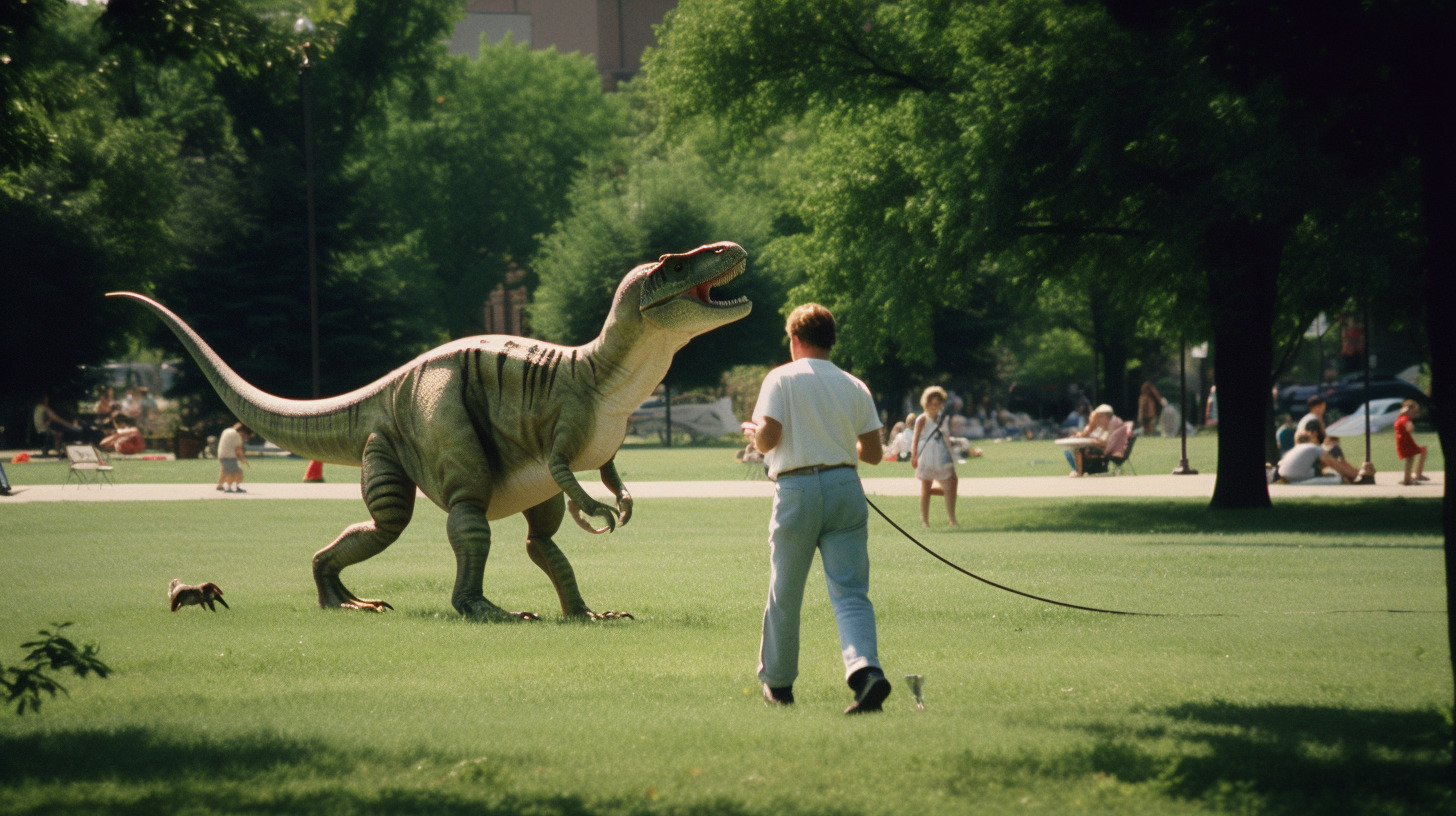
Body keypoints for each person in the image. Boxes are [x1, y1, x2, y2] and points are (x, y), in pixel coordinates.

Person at [743, 303, 890, 714]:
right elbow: (874, 454)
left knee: (785, 591)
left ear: (794, 339)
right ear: (831, 339)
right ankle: (865, 672)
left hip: (798, 488)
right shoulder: (854, 385)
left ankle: (780, 683)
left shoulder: (781, 378)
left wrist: (754, 435)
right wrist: (836, 435)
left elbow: (769, 438)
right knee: (851, 593)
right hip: (845, 486)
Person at [911, 386, 959, 528]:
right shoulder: (922, 419)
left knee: (951, 484)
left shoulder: (943, 418)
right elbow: (915, 438)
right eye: (933, 401)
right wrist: (914, 456)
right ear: (927, 402)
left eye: (938, 401)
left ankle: (952, 519)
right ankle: (925, 521)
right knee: (926, 487)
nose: (935, 404)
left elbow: (946, 437)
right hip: (927, 455)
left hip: (941, 454)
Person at [1275, 430, 1362, 483]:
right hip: (1296, 478)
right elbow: (1335, 463)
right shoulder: (1314, 448)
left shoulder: (1296, 449)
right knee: (1338, 479)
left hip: (1285, 476)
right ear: (1313, 439)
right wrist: (1358, 476)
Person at [1061, 404, 1120, 477]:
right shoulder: (1103, 426)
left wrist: (1091, 437)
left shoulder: (1109, 427)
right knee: (1069, 448)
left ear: (1106, 417)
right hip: (1097, 449)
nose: (1097, 419)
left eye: (1099, 416)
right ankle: (1077, 470)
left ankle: (1078, 471)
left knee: (1075, 449)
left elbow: (1105, 442)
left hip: (1099, 451)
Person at [1393, 400, 1429, 485]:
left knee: (1413, 457)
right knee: (1412, 458)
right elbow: (1409, 427)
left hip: (1403, 440)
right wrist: (1410, 426)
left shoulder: (1400, 418)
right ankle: (1410, 478)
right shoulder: (1405, 419)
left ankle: (1408, 478)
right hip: (1406, 441)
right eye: (1413, 412)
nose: (1414, 414)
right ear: (1408, 410)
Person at [215, 422, 254, 493]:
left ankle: (220, 485)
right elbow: (238, 449)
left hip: (221, 455)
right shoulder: (236, 435)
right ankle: (233, 487)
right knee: (236, 472)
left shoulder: (226, 431)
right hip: (229, 456)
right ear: (243, 432)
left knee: (225, 470)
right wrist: (243, 459)